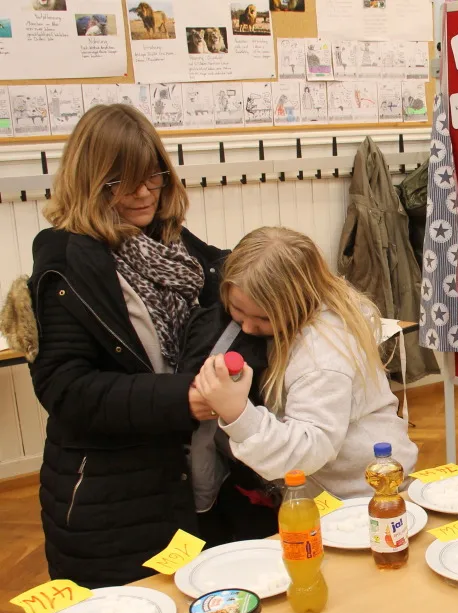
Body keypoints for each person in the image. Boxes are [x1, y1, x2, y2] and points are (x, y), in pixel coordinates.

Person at [0, 104, 229, 587]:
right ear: (90, 181)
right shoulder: (66, 262)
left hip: (184, 480)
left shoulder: (173, 244)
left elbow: (233, 281)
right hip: (110, 499)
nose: (144, 193)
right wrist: (182, 398)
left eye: (153, 176)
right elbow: (67, 390)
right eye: (122, 182)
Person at [194, 226, 418, 505]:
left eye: (263, 319)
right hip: (333, 488)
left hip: (364, 493)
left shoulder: (321, 352)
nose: (248, 327)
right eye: (237, 311)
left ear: (299, 303)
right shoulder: (297, 320)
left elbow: (310, 450)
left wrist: (238, 413)